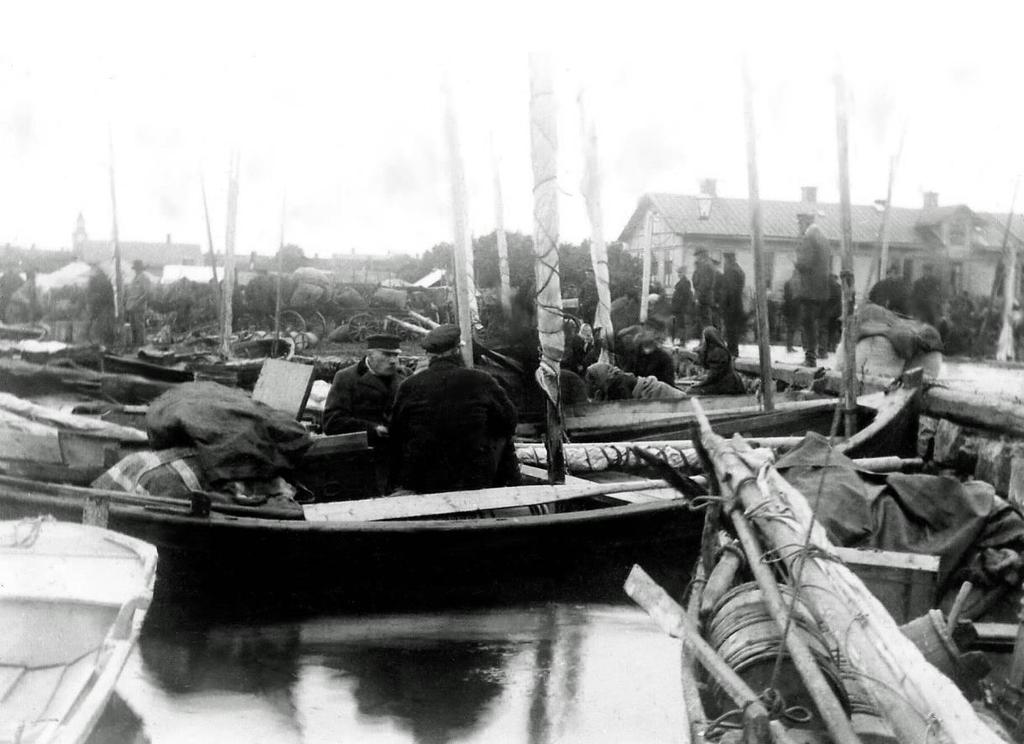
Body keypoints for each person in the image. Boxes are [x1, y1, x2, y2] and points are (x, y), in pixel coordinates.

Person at [389, 324, 519, 494]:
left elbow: (396, 431)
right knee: (502, 437)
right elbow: (510, 421)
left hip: (422, 479)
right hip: (473, 477)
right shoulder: (481, 380)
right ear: (457, 350)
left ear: (429, 355)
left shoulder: (409, 385)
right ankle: (512, 486)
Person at [323, 334, 407, 439]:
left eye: (395, 355)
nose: (393, 361)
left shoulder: (405, 376)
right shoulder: (347, 378)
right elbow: (332, 422)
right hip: (364, 448)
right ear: (370, 355)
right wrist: (372, 429)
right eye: (387, 355)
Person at [793, 212, 830, 367]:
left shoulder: (808, 237)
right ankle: (814, 355)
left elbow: (805, 263)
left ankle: (810, 358)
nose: (798, 227)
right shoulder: (823, 238)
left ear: (805, 222)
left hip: (809, 289)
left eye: (800, 223)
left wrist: (796, 263)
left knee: (807, 323)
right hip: (821, 288)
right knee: (815, 323)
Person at [689, 326, 747, 395]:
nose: (703, 340)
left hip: (727, 385)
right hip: (721, 382)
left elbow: (714, 375)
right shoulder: (713, 350)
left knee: (691, 391)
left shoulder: (718, 352)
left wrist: (700, 384)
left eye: (704, 338)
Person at [719, 253, 746, 357]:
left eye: (725, 260)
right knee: (733, 328)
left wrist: (723, 303)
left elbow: (729, 290)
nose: (724, 263)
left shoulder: (731, 271)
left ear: (728, 260)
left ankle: (732, 351)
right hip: (737, 302)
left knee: (730, 328)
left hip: (731, 304)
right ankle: (733, 350)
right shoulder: (739, 270)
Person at [123, 260, 152, 348]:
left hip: (138, 306)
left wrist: (138, 302)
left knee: (139, 326)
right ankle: (135, 344)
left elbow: (147, 293)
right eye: (135, 268)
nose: (136, 270)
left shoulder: (144, 278)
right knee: (133, 327)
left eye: (137, 268)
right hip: (132, 306)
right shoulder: (135, 278)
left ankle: (141, 345)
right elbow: (132, 293)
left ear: (141, 268)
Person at [692, 249, 720, 330]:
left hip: (704, 296)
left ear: (702, 255)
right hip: (704, 296)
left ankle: (708, 340)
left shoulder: (706, 266)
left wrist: (698, 297)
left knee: (705, 320)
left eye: (697, 255)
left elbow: (704, 283)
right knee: (705, 319)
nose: (696, 258)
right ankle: (706, 340)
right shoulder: (705, 265)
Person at [911, 264, 944, 328]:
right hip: (921, 308)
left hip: (931, 309)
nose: (926, 272)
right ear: (923, 271)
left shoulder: (935, 282)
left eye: (928, 271)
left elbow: (938, 296)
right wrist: (914, 310)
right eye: (925, 270)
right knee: (920, 326)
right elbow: (914, 296)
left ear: (930, 272)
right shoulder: (918, 282)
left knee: (931, 326)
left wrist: (939, 311)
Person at [670, 266, 694, 344]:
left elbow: (685, 296)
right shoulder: (681, 283)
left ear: (684, 273)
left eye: (680, 273)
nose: (678, 274)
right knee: (679, 324)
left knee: (682, 325)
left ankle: (682, 341)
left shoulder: (685, 283)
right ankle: (681, 340)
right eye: (678, 273)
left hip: (681, 308)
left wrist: (680, 306)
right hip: (678, 308)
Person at [826, 273, 842, 353]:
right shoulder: (838, 287)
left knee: (829, 330)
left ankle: (830, 346)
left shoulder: (831, 287)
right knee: (834, 330)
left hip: (831, 312)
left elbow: (830, 300)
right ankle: (832, 346)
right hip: (837, 312)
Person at [782, 277, 799, 352]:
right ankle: (789, 346)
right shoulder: (793, 283)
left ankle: (789, 346)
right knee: (791, 329)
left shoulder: (789, 283)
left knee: (791, 329)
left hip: (789, 309)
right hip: (793, 309)